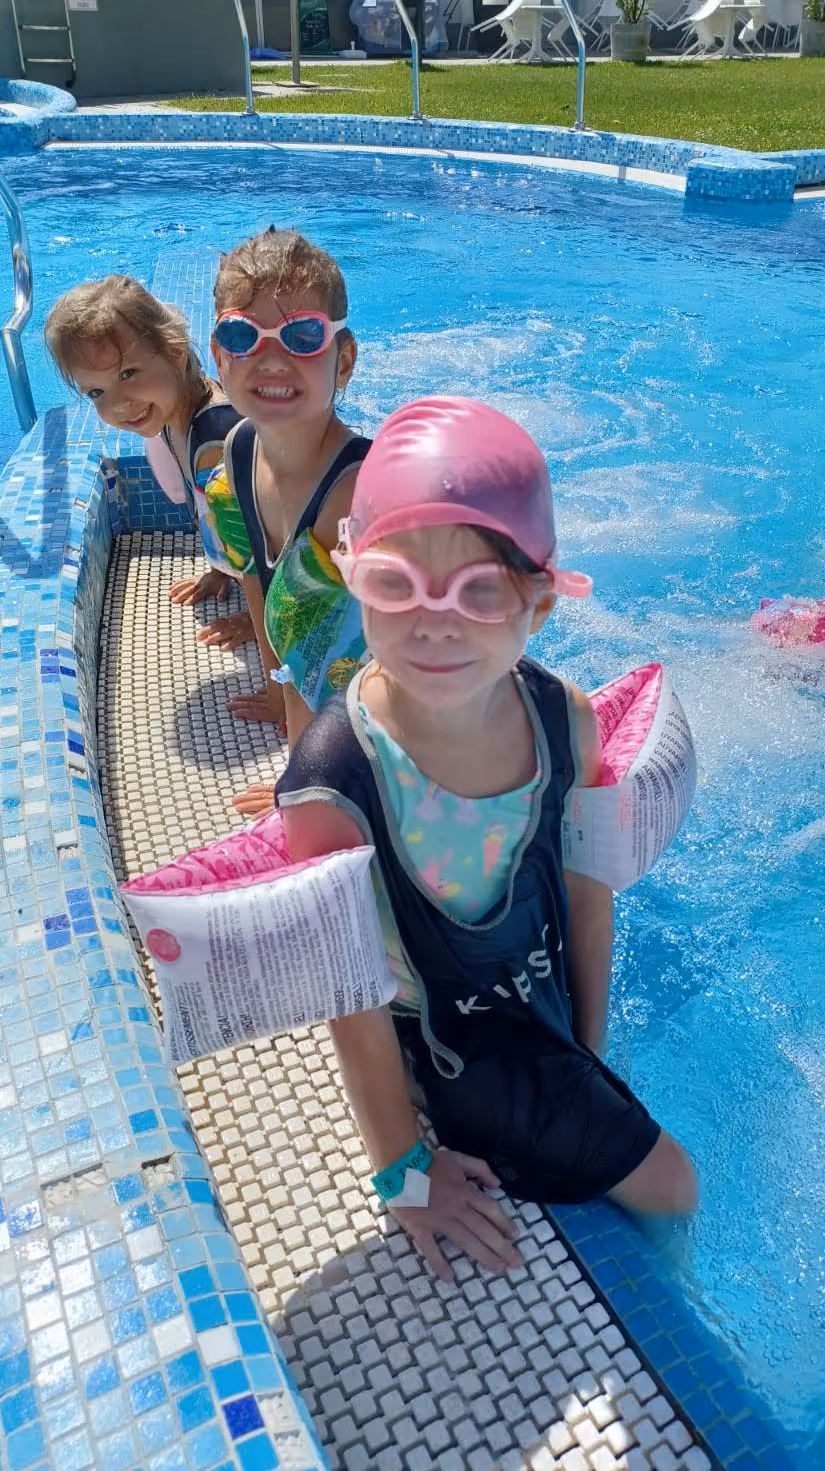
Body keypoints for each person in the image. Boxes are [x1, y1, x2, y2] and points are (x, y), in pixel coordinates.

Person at [276, 396, 698, 1283]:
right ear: (352, 576)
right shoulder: (335, 779)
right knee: (673, 1185)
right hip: (443, 1037)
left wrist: (585, 1050)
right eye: (396, 583)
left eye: (480, 591)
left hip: (530, 998)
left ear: (538, 604)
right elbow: (349, 996)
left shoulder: (563, 720)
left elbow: (587, 895)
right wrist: (403, 1171)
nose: (436, 621)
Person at [208, 227, 368, 815]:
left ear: (342, 361)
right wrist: (276, 688)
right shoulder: (238, 451)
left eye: (303, 336)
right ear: (218, 357)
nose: (272, 359)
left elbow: (400, 671)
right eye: (242, 335)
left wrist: (303, 786)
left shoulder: (360, 495)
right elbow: (264, 582)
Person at [44, 275, 266, 665]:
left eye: (128, 373)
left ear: (175, 352)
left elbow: (262, 547)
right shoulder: (170, 410)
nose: (120, 403)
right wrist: (221, 569)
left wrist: (259, 629)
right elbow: (209, 512)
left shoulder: (215, 442)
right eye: (96, 392)